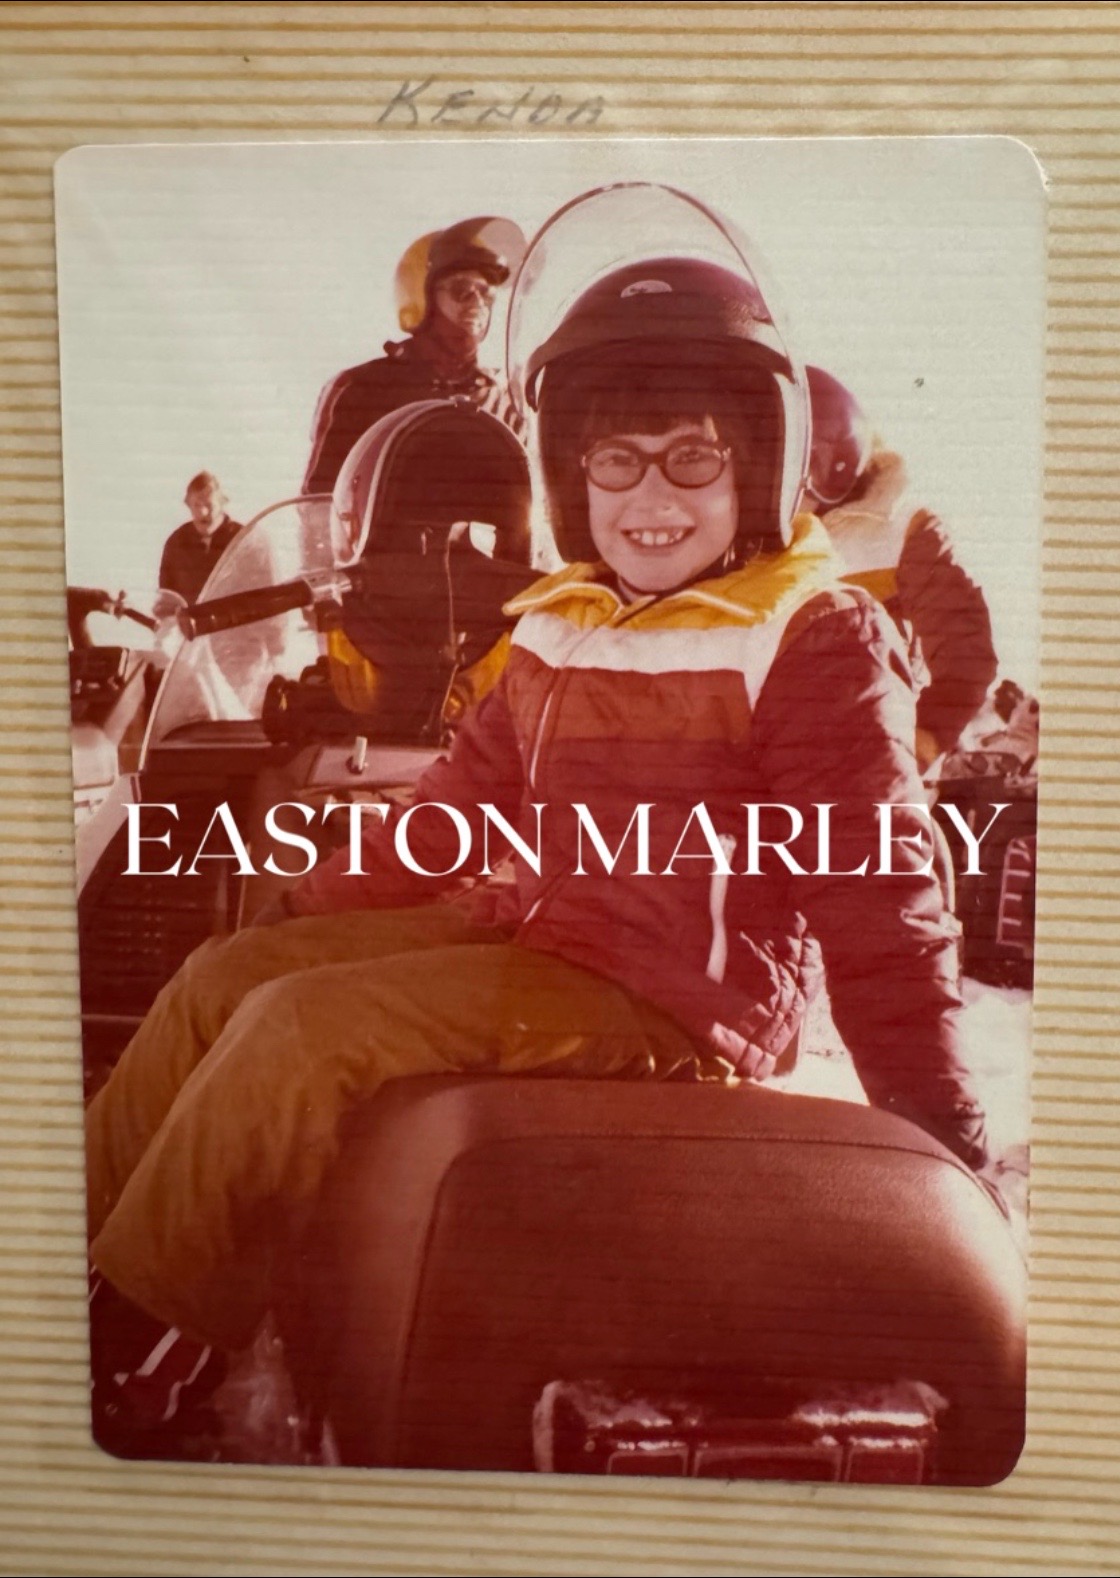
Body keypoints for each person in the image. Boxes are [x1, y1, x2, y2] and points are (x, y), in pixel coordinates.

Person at [84, 185, 993, 1430]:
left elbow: (879, 891)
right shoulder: (565, 621)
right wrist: (311, 897)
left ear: (759, 461)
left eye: (691, 457)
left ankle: (138, 1348)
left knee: (300, 1031)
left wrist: (938, 1130)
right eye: (615, 460)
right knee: (223, 979)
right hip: (546, 940)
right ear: (570, 473)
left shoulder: (808, 633)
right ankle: (62, 1259)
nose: (649, 495)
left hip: (675, 1001)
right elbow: (461, 805)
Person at [802, 366, 999, 773]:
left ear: (843, 456)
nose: (793, 480)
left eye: (810, 461)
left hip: (869, 768)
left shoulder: (901, 527)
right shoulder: (742, 535)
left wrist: (918, 744)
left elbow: (964, 654)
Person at [302, 216, 525, 495]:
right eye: (462, 291)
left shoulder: (505, 401)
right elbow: (320, 503)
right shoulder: (362, 388)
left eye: (486, 295)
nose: (478, 304)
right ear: (421, 296)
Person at [155, 471, 243, 612]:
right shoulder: (176, 543)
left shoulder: (243, 539)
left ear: (221, 504)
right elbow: (167, 598)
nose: (202, 512)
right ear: (189, 505)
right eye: (196, 505)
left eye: (209, 505)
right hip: (190, 624)